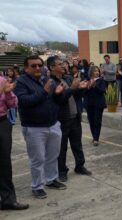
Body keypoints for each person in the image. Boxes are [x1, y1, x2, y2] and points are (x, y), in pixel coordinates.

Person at [14, 55, 67, 199]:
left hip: (53, 124)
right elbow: (24, 101)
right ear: (26, 68)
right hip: (34, 128)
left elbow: (59, 100)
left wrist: (60, 93)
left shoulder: (46, 79)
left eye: (39, 65)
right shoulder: (21, 82)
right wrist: (44, 91)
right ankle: (37, 186)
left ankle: (51, 179)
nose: (38, 68)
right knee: (38, 159)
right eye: (33, 66)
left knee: (53, 156)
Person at [46, 56, 92, 182]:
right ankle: (62, 171)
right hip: (62, 119)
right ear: (52, 67)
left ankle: (80, 166)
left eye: (63, 64)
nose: (64, 66)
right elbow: (59, 100)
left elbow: (76, 96)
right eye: (60, 64)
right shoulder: (51, 82)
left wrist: (82, 88)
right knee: (62, 147)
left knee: (77, 144)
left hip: (75, 117)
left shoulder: (67, 78)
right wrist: (72, 88)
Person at [0, 76, 29, 210]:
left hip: (2, 123)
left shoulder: (2, 80)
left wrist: (8, 92)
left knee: (4, 162)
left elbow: (12, 104)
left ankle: (8, 200)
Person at [85, 66, 106, 146]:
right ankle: (94, 137)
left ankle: (96, 138)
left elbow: (102, 91)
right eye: (95, 71)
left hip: (98, 104)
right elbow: (83, 93)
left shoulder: (101, 80)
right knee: (91, 121)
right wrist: (88, 87)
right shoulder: (87, 80)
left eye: (98, 71)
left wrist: (95, 86)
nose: (97, 72)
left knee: (97, 121)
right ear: (91, 72)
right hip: (89, 104)